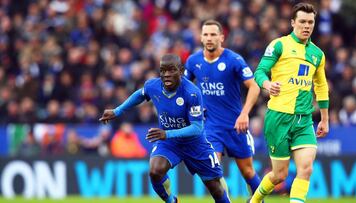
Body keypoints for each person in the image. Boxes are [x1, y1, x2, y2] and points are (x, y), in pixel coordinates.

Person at [99, 54, 231, 203]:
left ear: (180, 71)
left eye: (171, 70)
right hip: (169, 143)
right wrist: (117, 111)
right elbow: (140, 94)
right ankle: (172, 201)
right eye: (163, 70)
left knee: (216, 188)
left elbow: (197, 127)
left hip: (194, 144)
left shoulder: (192, 92)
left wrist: (166, 133)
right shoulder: (153, 86)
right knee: (155, 171)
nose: (166, 74)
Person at [248, 3, 329, 203]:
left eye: (310, 22)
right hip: (278, 117)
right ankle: (255, 200)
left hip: (304, 119)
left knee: (306, 168)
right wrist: (267, 84)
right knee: (279, 175)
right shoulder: (279, 45)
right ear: (293, 22)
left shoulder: (317, 54)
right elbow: (259, 71)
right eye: (302, 21)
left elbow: (321, 86)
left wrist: (325, 119)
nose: (307, 26)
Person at [185, 20, 262, 196]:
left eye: (213, 34)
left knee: (248, 172)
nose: (209, 38)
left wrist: (244, 114)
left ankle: (258, 201)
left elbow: (254, 86)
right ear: (201, 38)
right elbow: (184, 89)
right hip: (211, 127)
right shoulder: (193, 61)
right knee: (213, 174)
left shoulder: (234, 60)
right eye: (206, 34)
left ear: (222, 37)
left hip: (236, 125)